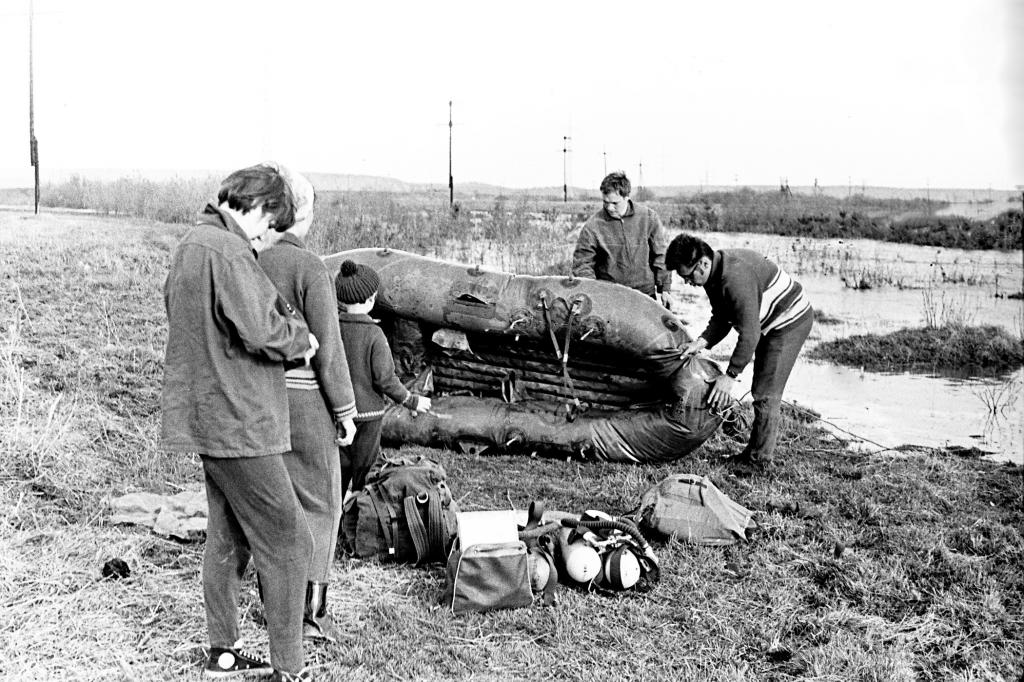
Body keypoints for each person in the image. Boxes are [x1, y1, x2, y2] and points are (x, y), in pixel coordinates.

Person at [160, 164, 317, 681]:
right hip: (239, 424)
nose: (265, 237)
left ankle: (222, 652)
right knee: (291, 540)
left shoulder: (191, 245)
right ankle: (289, 670)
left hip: (208, 418)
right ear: (257, 206)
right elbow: (262, 327)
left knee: (228, 535)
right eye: (268, 225)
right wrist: (302, 339)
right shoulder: (227, 250)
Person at [255, 164, 357, 643]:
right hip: (304, 401)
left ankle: (274, 604)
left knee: (274, 506)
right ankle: (310, 614)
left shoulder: (247, 259)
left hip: (255, 401)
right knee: (321, 503)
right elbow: (328, 349)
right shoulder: (310, 267)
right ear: (305, 213)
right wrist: (345, 411)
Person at [665, 233, 813, 473]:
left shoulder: (735, 278)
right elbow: (722, 317)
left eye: (688, 276)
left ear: (702, 263)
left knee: (766, 391)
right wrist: (700, 343)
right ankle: (753, 453)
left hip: (790, 322)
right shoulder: (714, 273)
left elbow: (750, 334)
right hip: (768, 322)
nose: (688, 283)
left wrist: (730, 376)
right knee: (761, 387)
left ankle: (759, 462)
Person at [334, 260, 431, 497]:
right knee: (364, 470)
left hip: (337, 411)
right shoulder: (374, 334)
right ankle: (359, 511)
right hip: (369, 416)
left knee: (338, 470)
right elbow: (385, 380)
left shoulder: (332, 328)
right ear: (370, 299)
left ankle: (334, 521)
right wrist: (412, 400)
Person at [572, 171, 674, 308]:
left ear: (627, 197)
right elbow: (582, 264)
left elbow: (660, 255)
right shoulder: (592, 226)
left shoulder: (648, 218)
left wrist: (665, 289)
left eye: (615, 203)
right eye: (605, 202)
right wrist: (594, 291)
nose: (609, 207)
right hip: (610, 298)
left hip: (645, 296)